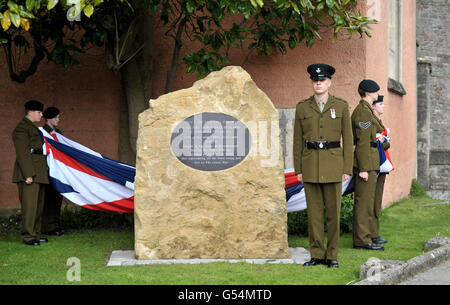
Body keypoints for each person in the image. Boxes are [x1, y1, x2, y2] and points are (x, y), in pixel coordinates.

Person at [293, 64, 353, 268]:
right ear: (312, 82)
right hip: (310, 166)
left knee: (333, 213)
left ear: (329, 82)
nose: (318, 83)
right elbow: (296, 141)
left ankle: (332, 255)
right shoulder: (302, 107)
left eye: (322, 80)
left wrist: (347, 169)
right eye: (315, 80)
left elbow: (348, 137)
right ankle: (317, 254)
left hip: (334, 166)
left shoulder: (342, 106)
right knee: (314, 214)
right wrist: (298, 169)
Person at [351, 80, 385, 251]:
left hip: (371, 161)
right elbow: (363, 142)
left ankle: (367, 236)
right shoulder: (363, 113)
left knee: (368, 201)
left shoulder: (367, 111)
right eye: (376, 92)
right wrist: (363, 168)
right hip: (366, 163)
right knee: (363, 203)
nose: (378, 94)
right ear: (368, 93)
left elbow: (373, 134)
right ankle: (362, 240)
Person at [12, 100, 50, 246]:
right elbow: (22, 153)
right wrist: (28, 174)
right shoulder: (22, 128)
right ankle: (28, 236)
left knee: (38, 206)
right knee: (30, 206)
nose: (41, 115)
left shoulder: (33, 127)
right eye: (39, 112)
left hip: (38, 170)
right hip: (29, 172)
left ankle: (35, 233)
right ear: (31, 112)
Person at [41, 107, 65, 236]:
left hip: (58, 170)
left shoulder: (58, 132)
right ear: (49, 118)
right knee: (48, 198)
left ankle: (55, 224)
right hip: (48, 169)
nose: (58, 120)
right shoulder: (42, 132)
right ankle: (47, 226)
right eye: (56, 117)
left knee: (57, 197)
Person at [370, 95, 390, 245]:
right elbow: (373, 145)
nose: (383, 106)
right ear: (373, 106)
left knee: (377, 201)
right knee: (372, 201)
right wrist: (385, 142)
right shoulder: (371, 121)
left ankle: (375, 232)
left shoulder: (378, 121)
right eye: (380, 104)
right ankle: (371, 234)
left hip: (380, 165)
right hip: (374, 164)